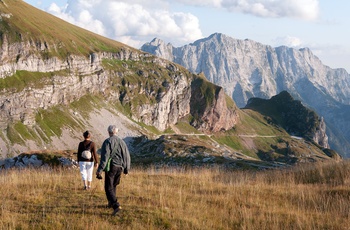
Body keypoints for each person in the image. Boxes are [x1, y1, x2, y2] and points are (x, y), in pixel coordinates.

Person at [96, 125, 131, 216]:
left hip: (111, 167)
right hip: (120, 167)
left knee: (108, 187)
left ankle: (116, 206)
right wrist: (126, 169)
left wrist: (100, 170)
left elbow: (105, 157)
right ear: (116, 132)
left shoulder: (107, 142)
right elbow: (127, 156)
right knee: (114, 185)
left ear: (109, 132)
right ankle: (110, 203)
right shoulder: (122, 142)